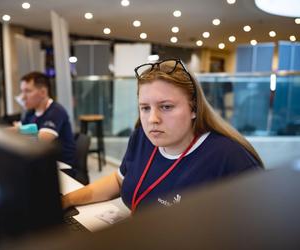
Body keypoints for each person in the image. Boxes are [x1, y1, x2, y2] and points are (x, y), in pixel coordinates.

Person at [61, 58, 263, 214]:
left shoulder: (230, 157)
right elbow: (119, 180)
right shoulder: (142, 136)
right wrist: (67, 200)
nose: (152, 119)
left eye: (166, 107)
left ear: (194, 107)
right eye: (145, 108)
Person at [16, 71, 76, 167]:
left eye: (27, 91)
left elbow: (38, 142)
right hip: (41, 163)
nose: (23, 97)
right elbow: (17, 131)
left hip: (61, 167)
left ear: (43, 92)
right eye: (22, 91)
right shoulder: (30, 112)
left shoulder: (56, 111)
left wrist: (19, 131)